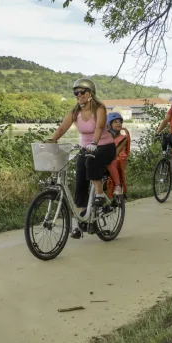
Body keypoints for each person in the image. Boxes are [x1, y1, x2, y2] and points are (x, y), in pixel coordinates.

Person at [46, 78, 117, 238]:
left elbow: (99, 127)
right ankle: (81, 222)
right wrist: (52, 140)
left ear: (90, 93)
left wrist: (94, 142)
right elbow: (63, 127)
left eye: (82, 92)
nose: (78, 95)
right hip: (87, 148)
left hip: (104, 146)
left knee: (91, 161)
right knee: (80, 180)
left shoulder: (99, 108)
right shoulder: (75, 111)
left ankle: (99, 195)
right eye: (76, 92)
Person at [106, 112, 130, 198]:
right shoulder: (105, 137)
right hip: (107, 157)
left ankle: (118, 186)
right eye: (115, 122)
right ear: (109, 125)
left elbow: (116, 153)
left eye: (120, 121)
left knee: (111, 163)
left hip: (118, 159)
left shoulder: (123, 138)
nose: (119, 123)